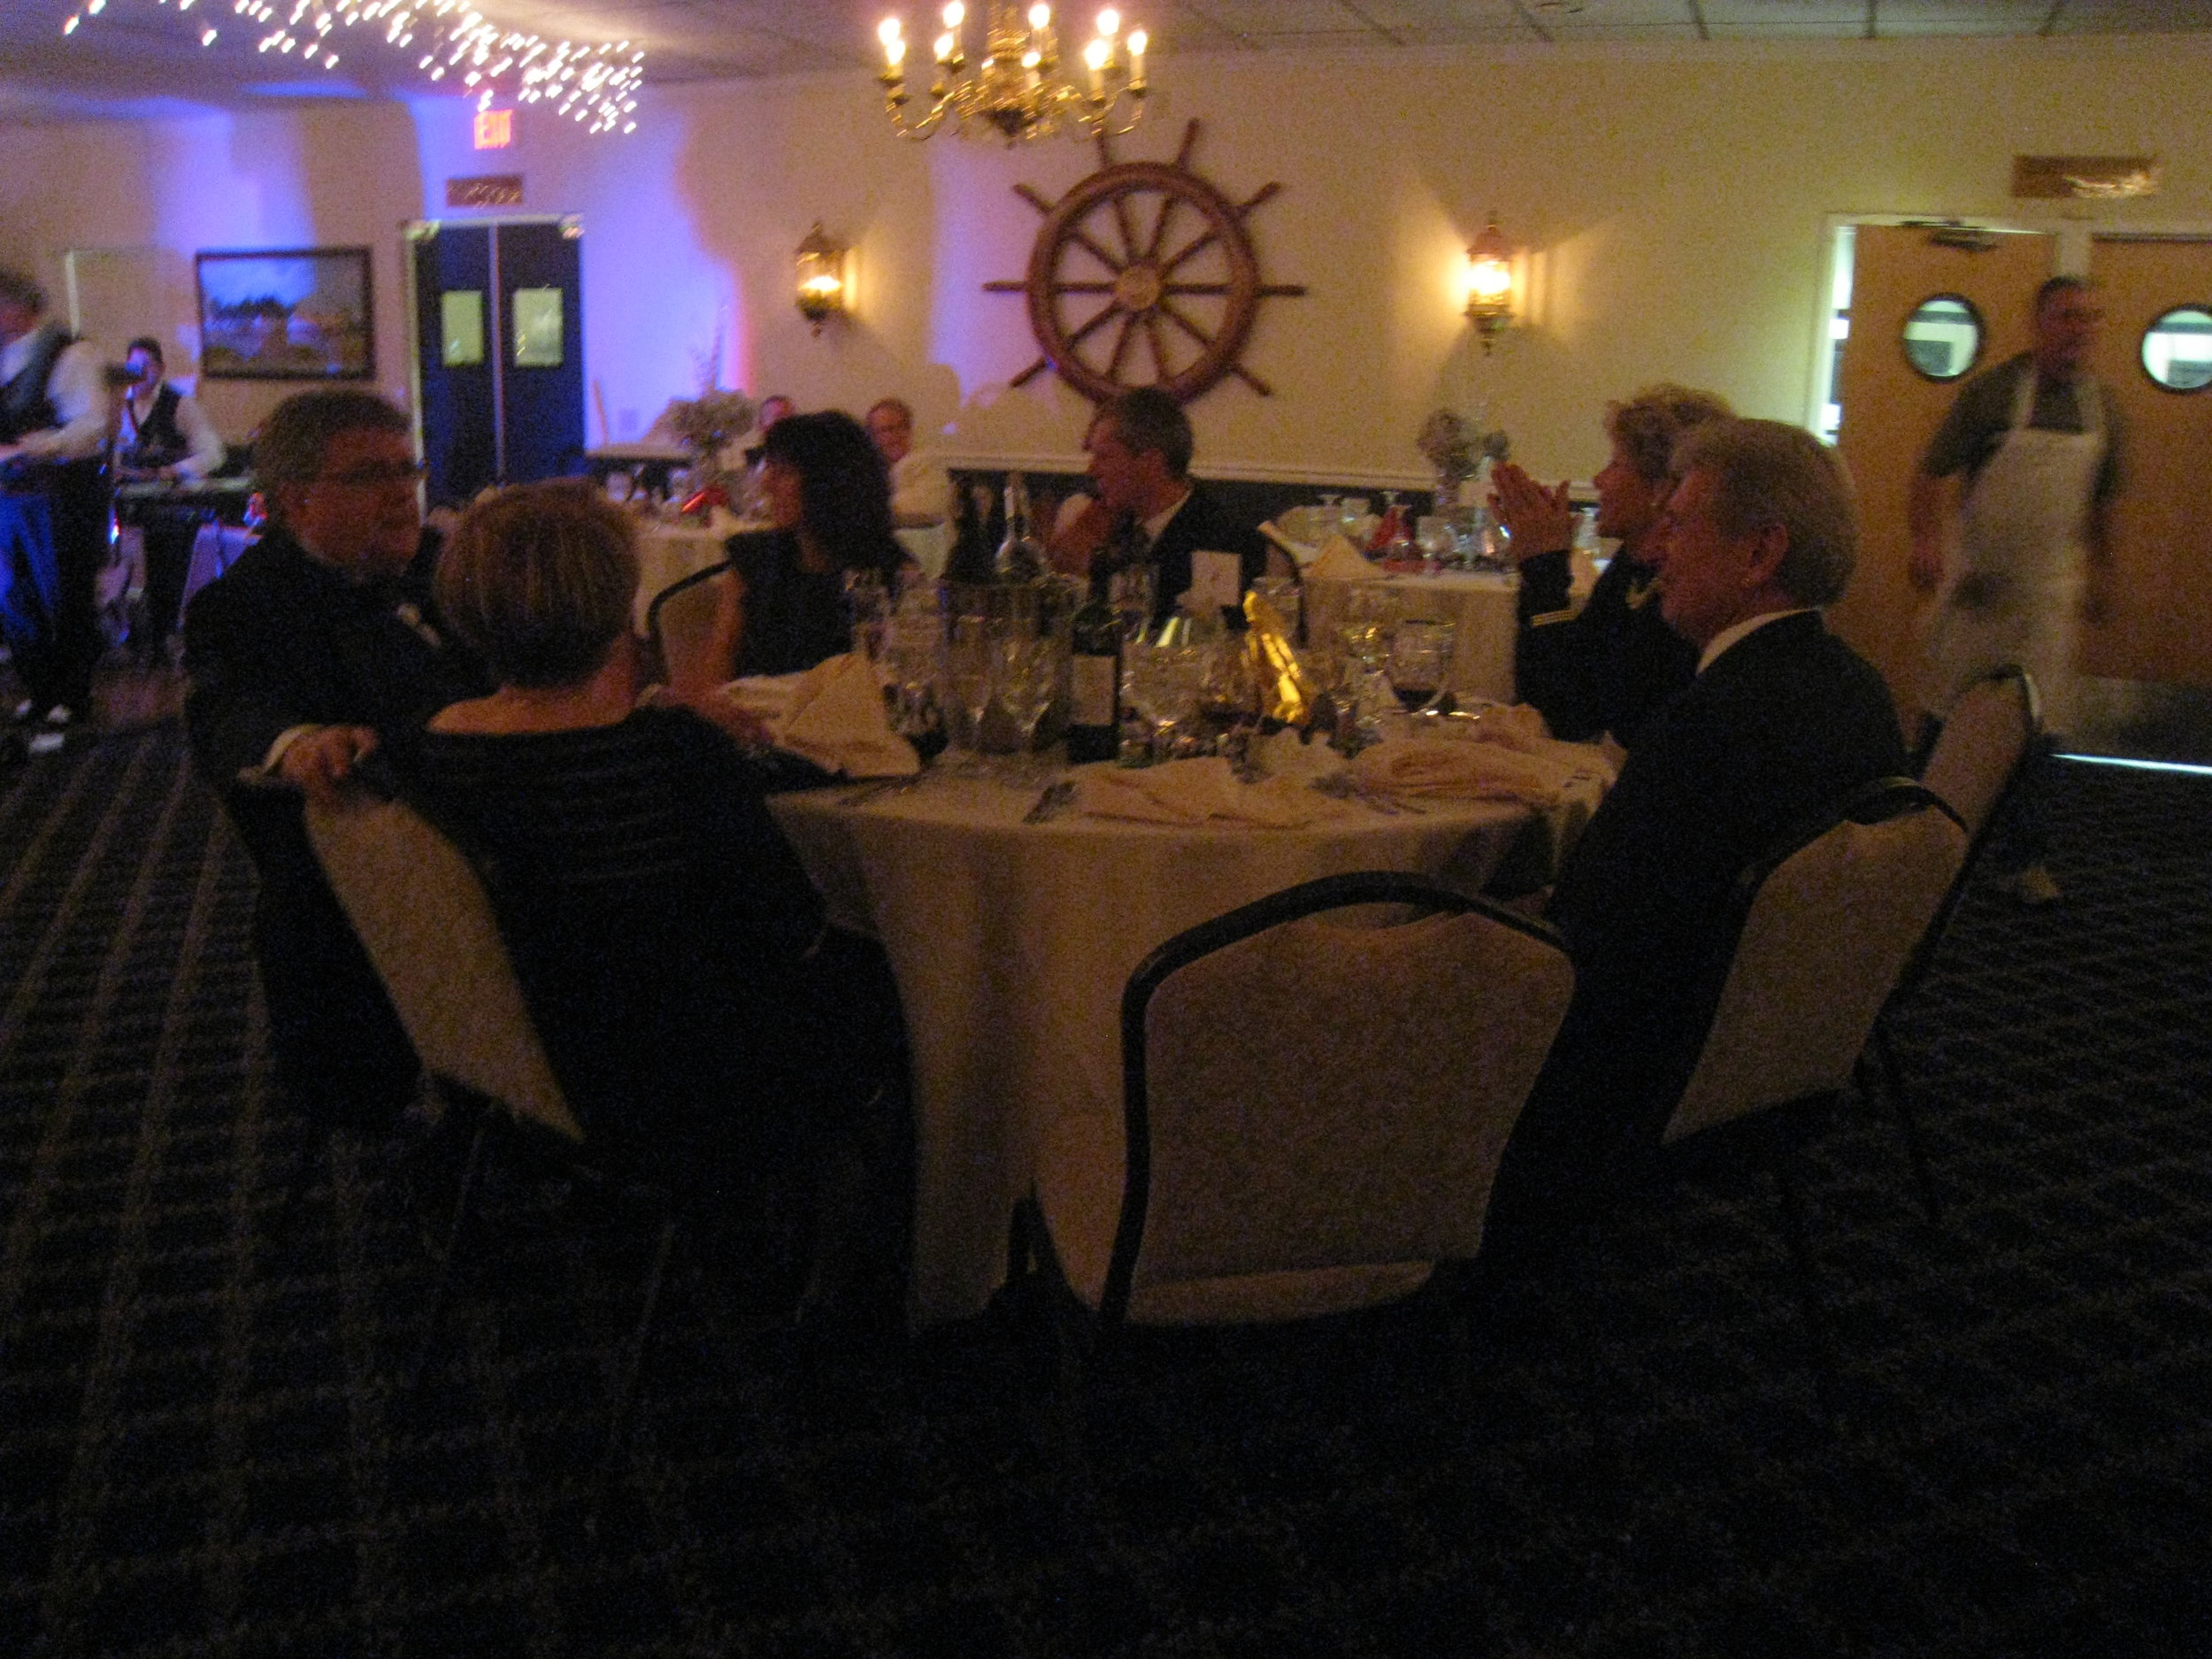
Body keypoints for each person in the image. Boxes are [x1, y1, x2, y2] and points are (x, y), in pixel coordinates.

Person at [403, 480, 912, 1311]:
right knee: (893, 980)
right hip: (678, 1081)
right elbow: (793, 927)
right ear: (617, 608)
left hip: (519, 1063)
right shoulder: (674, 755)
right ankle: (862, 1274)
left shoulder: (430, 749)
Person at [1488, 419, 1909, 1246]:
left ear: (1759, 555)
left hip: (1638, 1077)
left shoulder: (1711, 723)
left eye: (1679, 526)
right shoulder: (1859, 690)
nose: (1657, 550)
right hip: (1775, 1061)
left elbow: (1593, 938)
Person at [182, 388, 490, 1131]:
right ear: (296, 502)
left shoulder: (447, 570)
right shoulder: (242, 606)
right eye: (367, 476)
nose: (400, 494)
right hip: (372, 900)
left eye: (405, 469)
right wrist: (295, 744)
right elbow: (225, 711)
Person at [1909, 275, 2117, 905]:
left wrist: (2106, 570)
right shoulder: (1993, 393)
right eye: (2066, 315)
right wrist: (1926, 543)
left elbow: (2101, 503)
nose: (2078, 328)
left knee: (2041, 729)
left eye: (2089, 317)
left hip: (2051, 591)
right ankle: (1913, 847)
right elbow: (1929, 473)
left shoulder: (2103, 409)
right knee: (1946, 718)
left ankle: (2021, 860)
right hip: (1980, 585)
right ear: (2039, 322)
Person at [1487, 384, 1732, 749]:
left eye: (1616, 464)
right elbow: (1551, 702)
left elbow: (1569, 717)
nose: (1599, 480)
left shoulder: (1682, 593)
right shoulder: (1632, 569)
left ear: (1662, 488)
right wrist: (1541, 565)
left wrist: (1545, 568)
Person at [681, 410, 906, 690]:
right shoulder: (754, 562)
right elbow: (715, 680)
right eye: (769, 468)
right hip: (755, 725)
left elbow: (899, 681)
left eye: (784, 472)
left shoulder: (892, 571)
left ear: (830, 485)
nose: (766, 484)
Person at [1044, 387, 1268, 626]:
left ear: (1150, 462)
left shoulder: (1223, 539)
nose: (1092, 470)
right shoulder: (1111, 526)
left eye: (1105, 457)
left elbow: (1215, 637)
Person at [0, 267, 111, 726]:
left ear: (16, 307)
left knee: (62, 596)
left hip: (59, 497)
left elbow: (92, 428)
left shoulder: (72, 354)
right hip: (10, 499)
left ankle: (72, 695)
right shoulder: (5, 355)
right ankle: (41, 688)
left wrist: (30, 446)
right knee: (13, 595)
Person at [111, 335, 227, 660]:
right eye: (134, 367)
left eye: (147, 366)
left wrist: (173, 470)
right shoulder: (117, 407)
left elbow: (213, 454)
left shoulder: (180, 404)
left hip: (171, 506)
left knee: (168, 568)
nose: (141, 373)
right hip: (128, 505)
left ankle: (163, 636)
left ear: (160, 369)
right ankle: (128, 632)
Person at [865, 396, 949, 528]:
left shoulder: (927, 461)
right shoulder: (865, 465)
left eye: (903, 427)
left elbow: (930, 505)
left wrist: (873, 506)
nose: (896, 436)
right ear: (872, 436)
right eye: (887, 430)